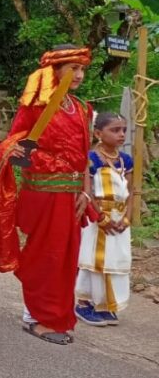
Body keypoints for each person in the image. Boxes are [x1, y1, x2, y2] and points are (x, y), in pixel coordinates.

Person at [0, 45, 93, 345]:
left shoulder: (81, 108)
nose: (79, 75)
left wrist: (86, 191)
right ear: (54, 71)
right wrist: (20, 153)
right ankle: (36, 317)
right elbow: (13, 143)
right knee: (46, 256)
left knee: (67, 258)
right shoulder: (35, 106)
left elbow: (84, 156)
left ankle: (56, 316)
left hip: (72, 196)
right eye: (73, 69)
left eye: (82, 69)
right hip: (43, 193)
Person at [75, 112, 134, 327]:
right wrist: (100, 216)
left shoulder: (126, 160)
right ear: (98, 133)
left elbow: (131, 191)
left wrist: (126, 219)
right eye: (115, 130)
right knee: (93, 260)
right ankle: (83, 303)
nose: (121, 134)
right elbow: (87, 190)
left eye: (123, 130)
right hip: (97, 218)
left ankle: (106, 304)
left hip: (119, 219)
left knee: (115, 260)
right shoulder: (91, 159)